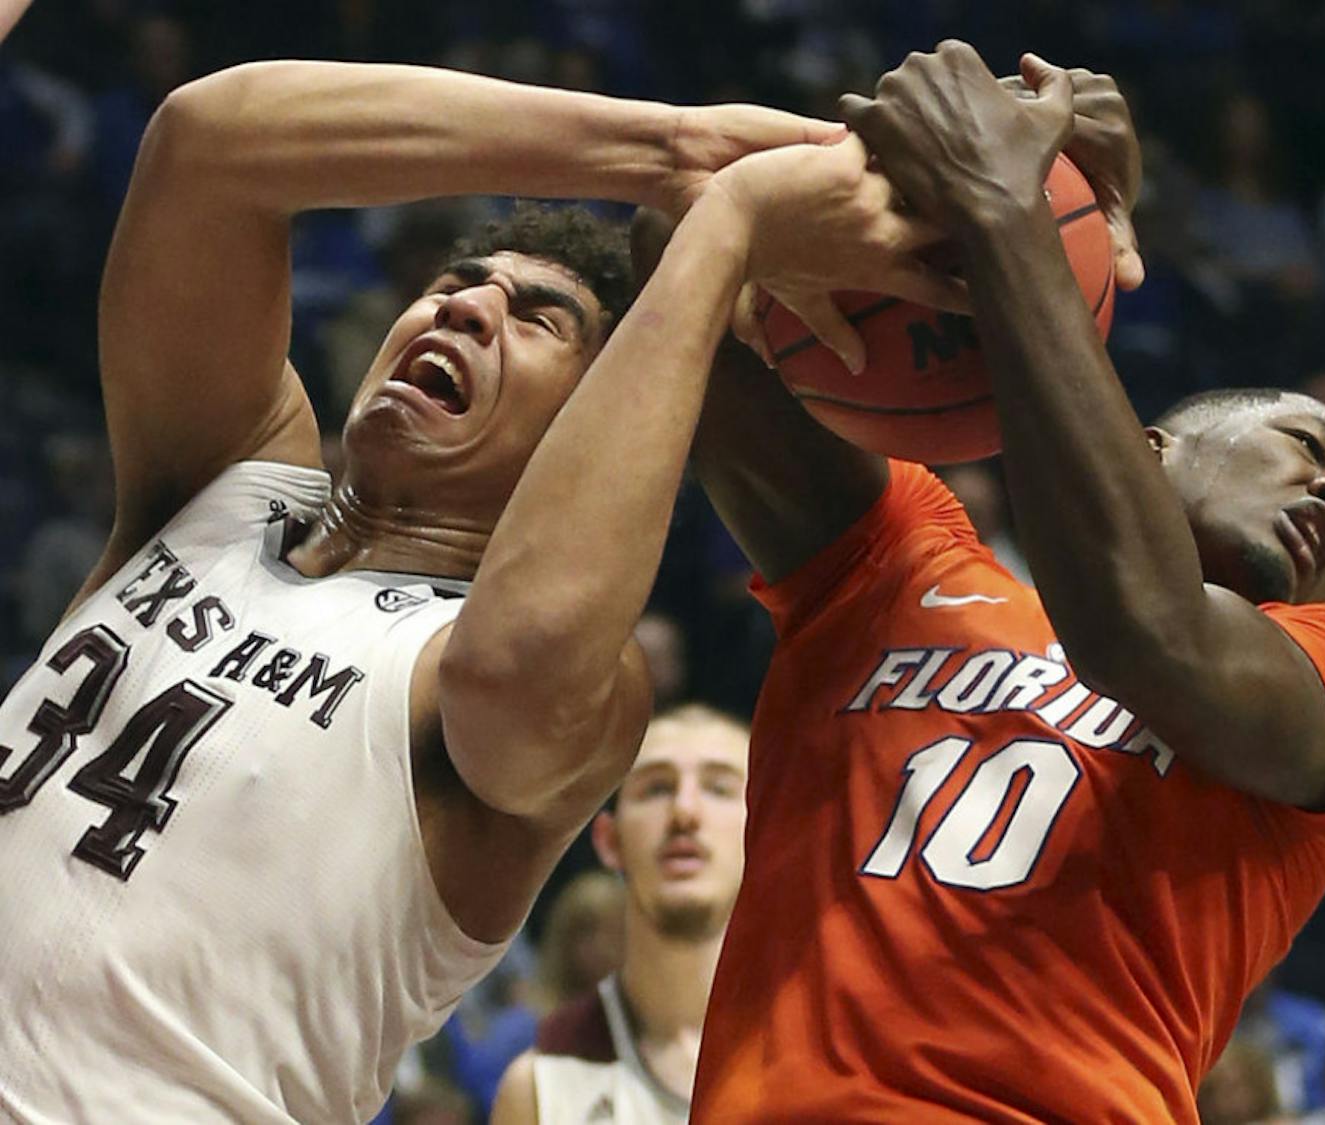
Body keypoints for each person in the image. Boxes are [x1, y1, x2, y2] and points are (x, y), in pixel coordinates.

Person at [0, 57, 951, 1121]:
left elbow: (515, 664)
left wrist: (722, 230)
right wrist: (672, 153)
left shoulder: (553, 690)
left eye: (538, 318)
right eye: (453, 289)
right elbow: (207, 146)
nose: (464, 311)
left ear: (593, 426)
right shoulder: (226, 492)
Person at [658, 43, 1325, 1121]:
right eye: (1314, 450)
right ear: (1149, 449)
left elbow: (1139, 630)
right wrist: (908, 152)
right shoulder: (899, 560)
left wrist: (1008, 202)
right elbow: (678, 242)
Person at [492, 704, 749, 1124]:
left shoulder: (836, 1056)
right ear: (609, 840)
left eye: (719, 788)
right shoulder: (540, 1086)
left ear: (767, 830)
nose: (685, 811)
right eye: (657, 789)